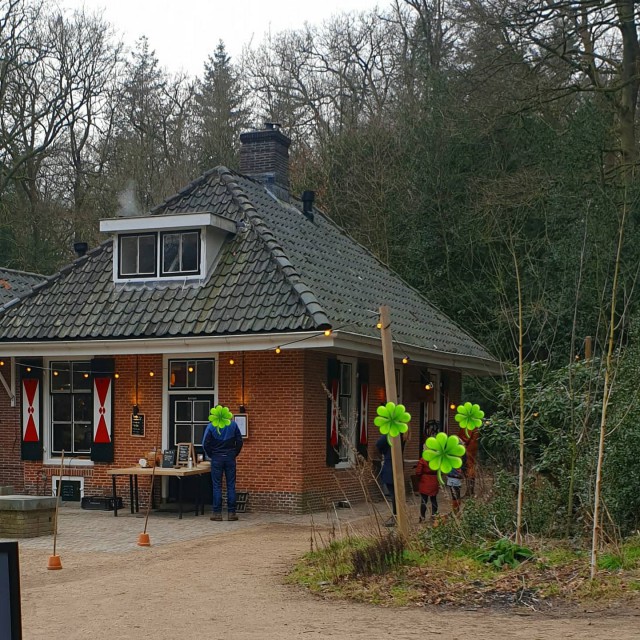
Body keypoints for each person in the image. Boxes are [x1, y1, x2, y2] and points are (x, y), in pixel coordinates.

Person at [202, 415, 243, 521]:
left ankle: (217, 513)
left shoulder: (211, 426)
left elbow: (205, 443)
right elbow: (239, 441)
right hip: (230, 457)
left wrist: (211, 454)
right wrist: (234, 453)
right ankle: (231, 513)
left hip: (216, 458)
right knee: (231, 485)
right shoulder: (233, 425)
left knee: (217, 486)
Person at [375, 433, 405, 526]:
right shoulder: (404, 434)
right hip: (398, 465)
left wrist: (384, 451)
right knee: (397, 493)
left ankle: (396, 517)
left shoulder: (391, 434)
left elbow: (379, 444)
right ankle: (400, 516)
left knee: (394, 494)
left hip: (390, 466)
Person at [415, 452, 439, 522]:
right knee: (434, 499)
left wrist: (419, 478)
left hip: (424, 481)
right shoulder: (436, 460)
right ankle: (434, 516)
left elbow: (418, 472)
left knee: (424, 500)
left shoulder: (423, 460)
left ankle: (422, 517)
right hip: (434, 480)